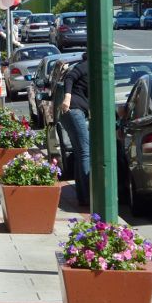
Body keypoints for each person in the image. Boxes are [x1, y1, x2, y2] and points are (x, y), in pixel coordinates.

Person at [59, 52, 90, 206]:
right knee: (85, 152)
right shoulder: (86, 66)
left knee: (80, 153)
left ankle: (83, 197)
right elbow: (70, 77)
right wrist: (67, 98)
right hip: (74, 110)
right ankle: (88, 196)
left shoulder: (92, 69)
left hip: (72, 112)